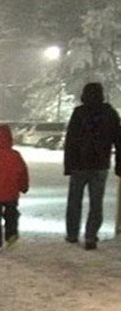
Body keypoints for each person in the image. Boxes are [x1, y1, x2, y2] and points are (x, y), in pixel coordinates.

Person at [62, 81, 121, 249]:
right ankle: (90, 236)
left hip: (79, 165)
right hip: (100, 165)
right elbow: (119, 139)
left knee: (74, 201)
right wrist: (119, 163)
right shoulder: (109, 113)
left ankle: (72, 234)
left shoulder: (79, 113)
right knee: (96, 203)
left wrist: (68, 165)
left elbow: (71, 141)